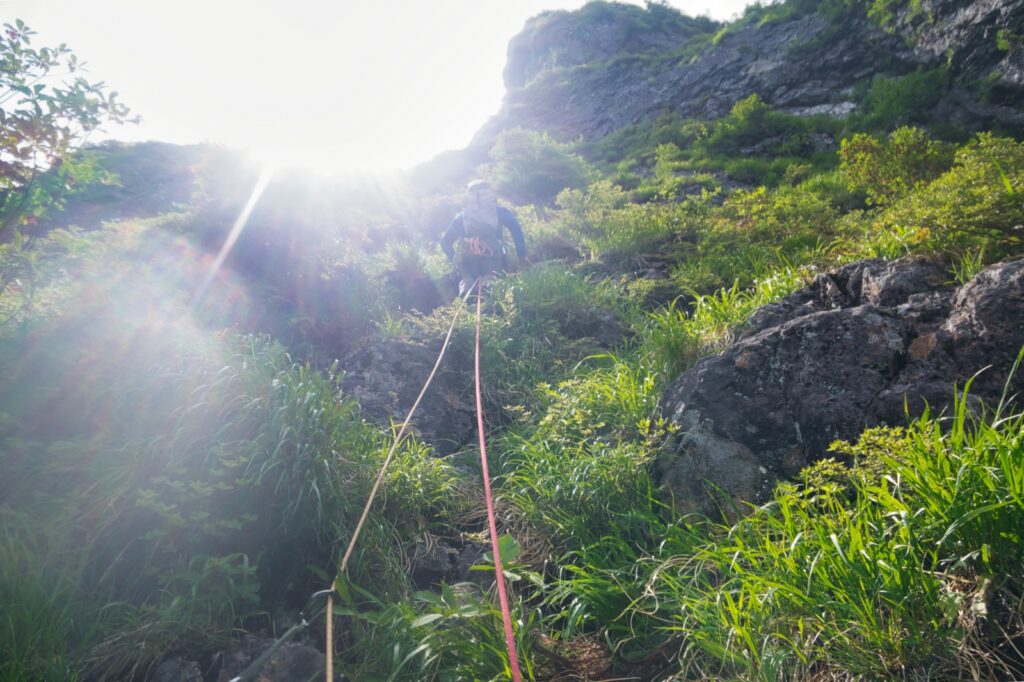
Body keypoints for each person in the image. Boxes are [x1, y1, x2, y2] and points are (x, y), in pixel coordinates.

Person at [441, 180, 527, 297]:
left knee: (467, 280)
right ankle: (490, 297)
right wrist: (522, 255)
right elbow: (516, 230)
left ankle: (467, 294)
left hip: (467, 258)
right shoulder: (500, 211)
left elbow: (445, 242)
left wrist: (455, 260)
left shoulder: (462, 216)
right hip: (492, 255)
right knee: (491, 278)